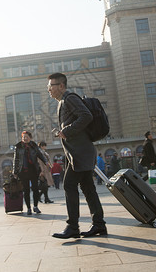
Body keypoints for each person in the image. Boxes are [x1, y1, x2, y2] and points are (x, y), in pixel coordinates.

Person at [47, 72, 106, 239]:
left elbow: (86, 115)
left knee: (69, 185)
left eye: (51, 86)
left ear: (61, 86)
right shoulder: (62, 102)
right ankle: (99, 225)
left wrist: (66, 131)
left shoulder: (69, 98)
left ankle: (73, 227)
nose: (48, 90)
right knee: (88, 189)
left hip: (81, 153)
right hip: (77, 152)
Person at [13, 131, 51, 215]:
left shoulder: (34, 145)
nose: (25, 138)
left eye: (26, 137)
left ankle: (35, 206)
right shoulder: (18, 147)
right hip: (23, 171)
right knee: (26, 190)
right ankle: (29, 208)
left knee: (35, 189)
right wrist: (14, 172)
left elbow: (40, 155)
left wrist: (46, 162)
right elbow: (16, 160)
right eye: (23, 137)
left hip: (33, 170)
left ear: (30, 138)